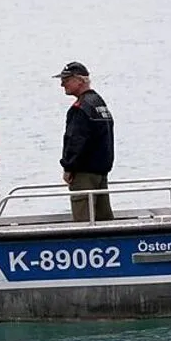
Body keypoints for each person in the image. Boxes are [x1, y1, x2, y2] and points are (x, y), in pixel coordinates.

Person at [54, 61, 115, 222]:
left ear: (79, 80)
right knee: (104, 219)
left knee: (84, 220)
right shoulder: (99, 103)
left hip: (84, 174)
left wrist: (69, 167)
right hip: (101, 172)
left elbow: (76, 140)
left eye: (66, 80)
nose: (62, 84)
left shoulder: (80, 108)